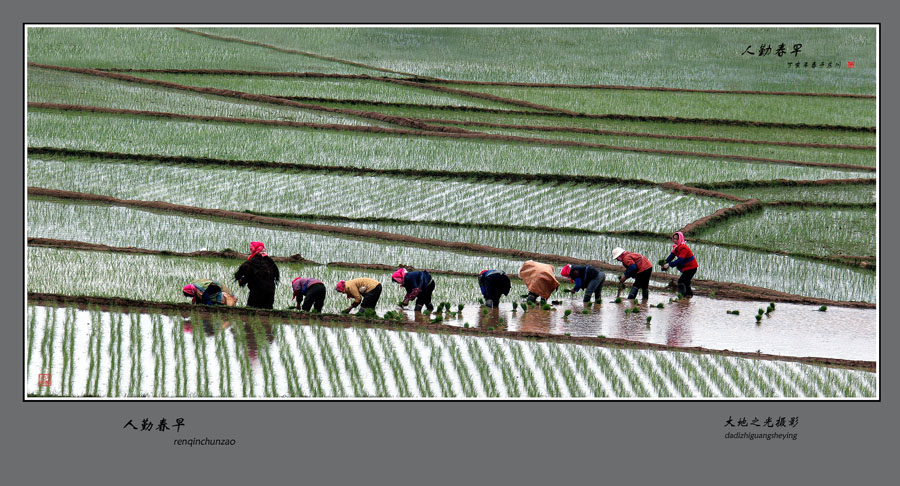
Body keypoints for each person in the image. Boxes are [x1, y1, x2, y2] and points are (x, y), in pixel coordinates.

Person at [233, 241, 280, 309]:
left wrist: (242, 281)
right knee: (267, 312)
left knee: (252, 310)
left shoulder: (251, 262)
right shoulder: (270, 262)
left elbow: (240, 275)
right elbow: (276, 276)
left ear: (253, 249)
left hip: (256, 293)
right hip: (270, 292)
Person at [662, 231, 698, 297]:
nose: (675, 240)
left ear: (680, 239)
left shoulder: (683, 248)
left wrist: (669, 264)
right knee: (686, 282)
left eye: (676, 239)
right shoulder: (676, 247)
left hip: (691, 268)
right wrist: (665, 262)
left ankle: (682, 296)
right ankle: (689, 296)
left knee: (681, 281)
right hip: (688, 267)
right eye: (674, 238)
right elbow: (672, 256)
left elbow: (680, 260)